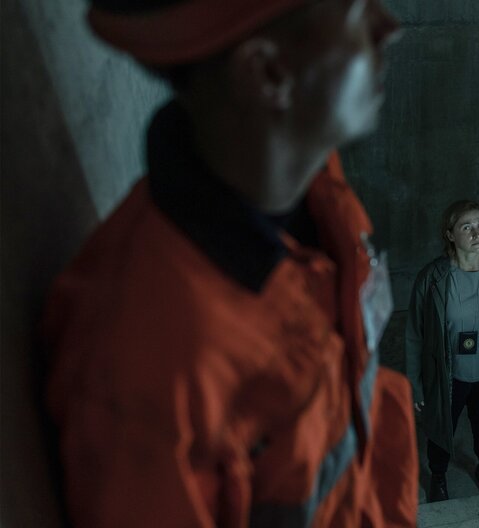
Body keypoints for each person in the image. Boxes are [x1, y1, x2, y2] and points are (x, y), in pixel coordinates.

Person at [42, 1, 418, 527]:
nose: (389, 29)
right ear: (268, 72)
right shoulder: (150, 369)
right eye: (356, 13)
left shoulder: (315, 194)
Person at [406, 200, 479, 502]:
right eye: (467, 226)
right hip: (448, 374)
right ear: (450, 234)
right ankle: (438, 477)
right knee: (440, 430)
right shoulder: (432, 278)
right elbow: (414, 335)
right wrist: (416, 386)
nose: (477, 232)